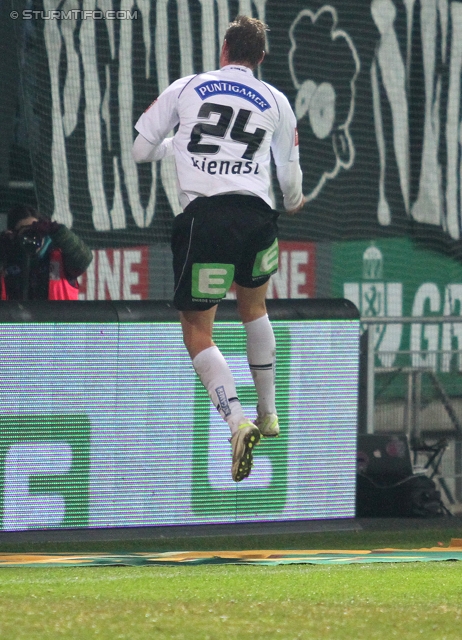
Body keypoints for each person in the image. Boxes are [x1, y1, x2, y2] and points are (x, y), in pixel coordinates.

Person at [132, 16, 305, 482]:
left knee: (198, 331)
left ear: (224, 48)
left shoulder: (188, 87)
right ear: (261, 58)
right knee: (255, 307)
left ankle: (236, 422)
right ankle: (268, 412)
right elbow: (290, 182)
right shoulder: (276, 100)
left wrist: (176, 146)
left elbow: (139, 151)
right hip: (257, 218)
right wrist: (293, 201)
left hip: (205, 221)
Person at [0, 204, 93, 300]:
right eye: (26, 232)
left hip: (58, 314)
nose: (32, 237)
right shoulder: (6, 260)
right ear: (13, 235)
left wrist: (58, 231)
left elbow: (84, 259)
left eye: (35, 231)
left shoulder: (60, 258)